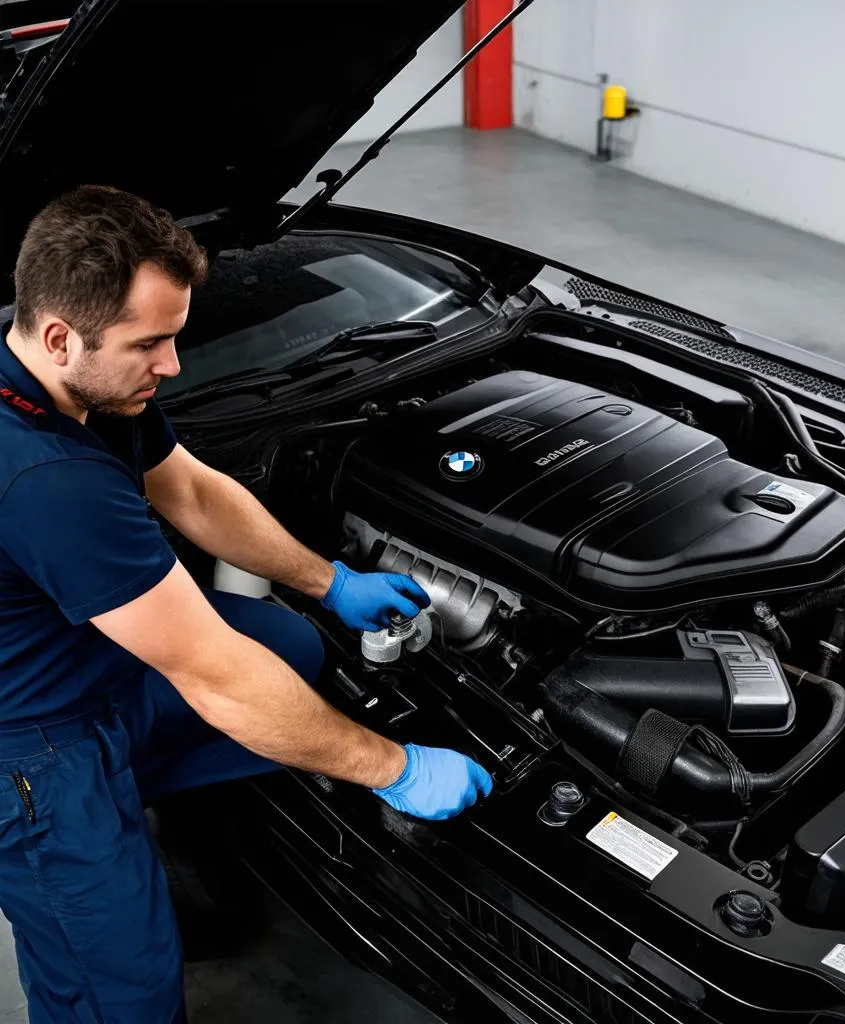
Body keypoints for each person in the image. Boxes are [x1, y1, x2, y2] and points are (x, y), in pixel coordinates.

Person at [0, 184, 493, 1022]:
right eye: (149, 344)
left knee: (290, 647)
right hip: (34, 753)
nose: (171, 367)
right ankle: (92, 850)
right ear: (58, 334)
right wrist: (395, 768)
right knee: (125, 990)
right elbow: (218, 676)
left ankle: (154, 801)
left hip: (93, 665)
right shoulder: (46, 479)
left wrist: (331, 582)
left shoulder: (76, 382)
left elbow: (189, 489)